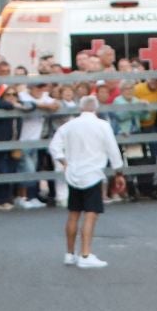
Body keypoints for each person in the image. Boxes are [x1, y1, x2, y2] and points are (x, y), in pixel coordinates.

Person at [49, 94, 125, 270]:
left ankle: (69, 253)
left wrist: (63, 161)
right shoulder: (102, 126)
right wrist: (118, 172)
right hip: (93, 173)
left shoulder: (69, 126)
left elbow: (54, 146)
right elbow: (113, 150)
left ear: (80, 108)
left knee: (73, 212)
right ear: (96, 108)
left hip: (73, 171)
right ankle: (85, 253)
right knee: (91, 213)